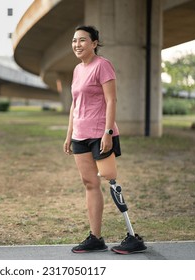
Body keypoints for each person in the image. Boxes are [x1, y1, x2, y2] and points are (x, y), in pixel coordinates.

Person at [63, 25, 146, 254]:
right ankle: (96, 238)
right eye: (74, 41)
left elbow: (112, 100)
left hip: (100, 135)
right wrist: (69, 134)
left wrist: (108, 132)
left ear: (94, 43)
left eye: (82, 40)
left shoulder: (103, 66)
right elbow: (74, 104)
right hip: (80, 135)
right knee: (90, 184)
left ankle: (133, 237)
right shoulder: (77, 70)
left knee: (111, 181)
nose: (77, 45)